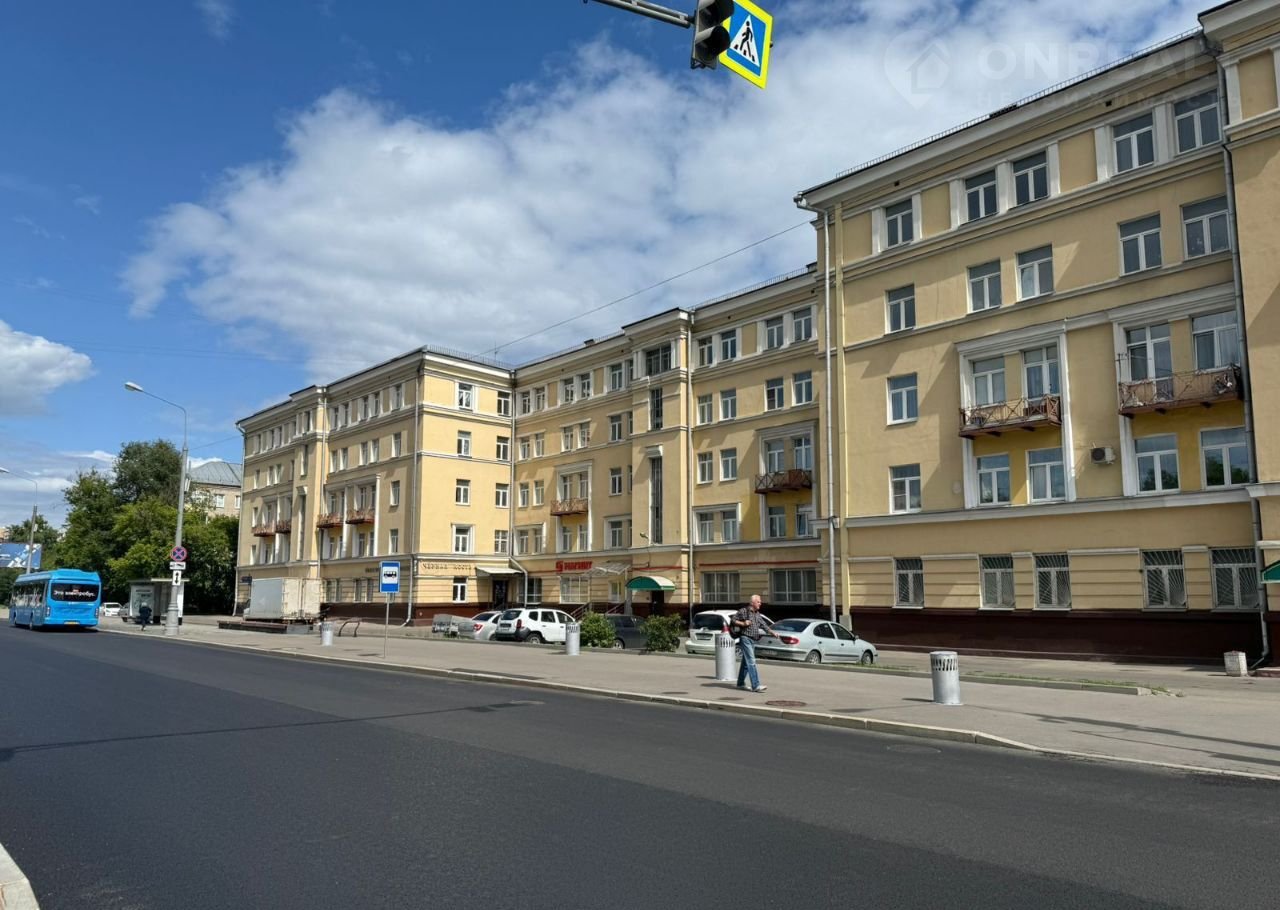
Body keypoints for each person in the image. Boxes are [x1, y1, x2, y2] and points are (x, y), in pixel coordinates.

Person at [731, 594, 776, 693]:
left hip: (753, 640)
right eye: (758, 602)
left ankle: (740, 683)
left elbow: (764, 625)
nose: (760, 603)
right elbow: (733, 620)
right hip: (745, 638)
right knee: (751, 661)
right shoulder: (744, 611)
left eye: (760, 602)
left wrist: (773, 633)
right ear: (752, 602)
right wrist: (743, 623)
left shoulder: (757, 614)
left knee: (746, 663)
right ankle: (756, 686)